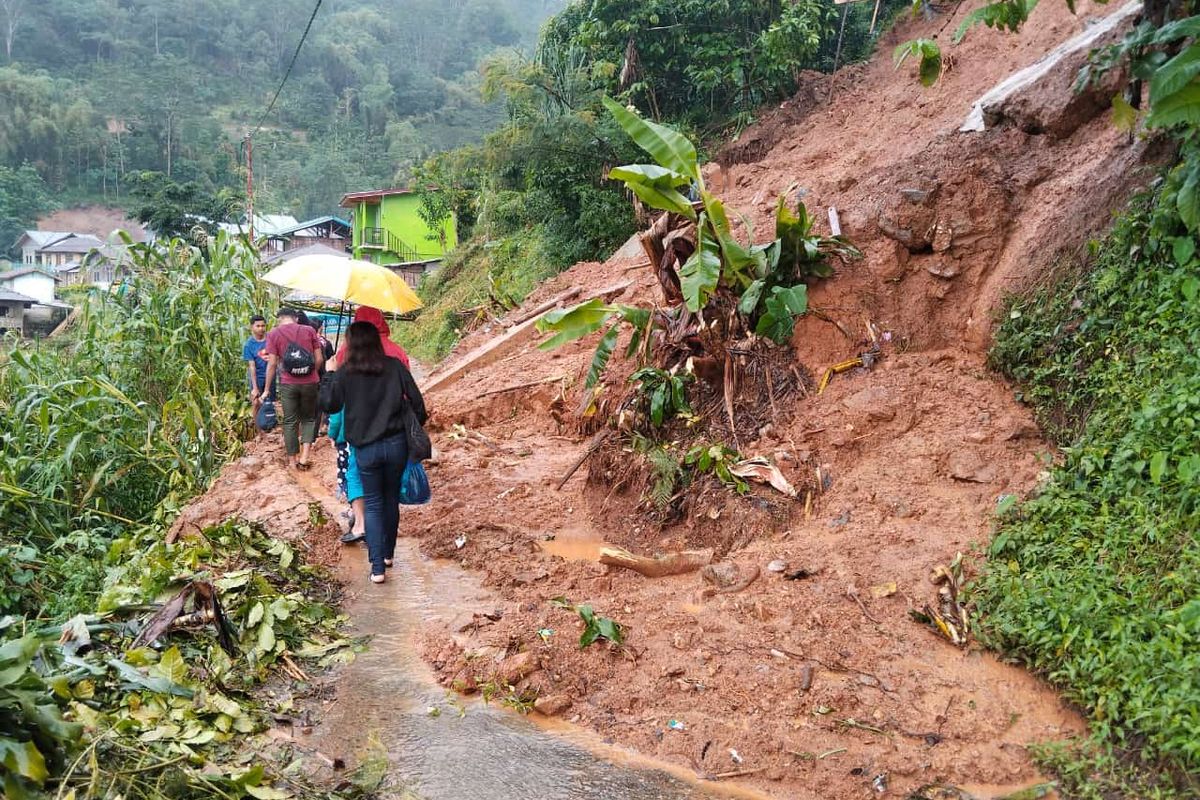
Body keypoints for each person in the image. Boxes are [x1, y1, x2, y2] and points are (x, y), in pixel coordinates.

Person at [321, 321, 426, 583]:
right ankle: (389, 555)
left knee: (374, 503)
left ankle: (377, 568)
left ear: (350, 344)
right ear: (376, 341)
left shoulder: (345, 373)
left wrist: (329, 373)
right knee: (390, 499)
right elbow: (419, 404)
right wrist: (407, 421)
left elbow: (329, 404)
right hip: (396, 444)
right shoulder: (395, 367)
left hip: (365, 448)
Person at [263, 307, 325, 470]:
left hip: (287, 382)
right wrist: (313, 375)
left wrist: (267, 388)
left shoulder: (273, 334)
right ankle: (305, 457)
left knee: (290, 421)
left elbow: (272, 364)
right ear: (295, 318)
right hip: (310, 381)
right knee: (308, 419)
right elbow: (319, 358)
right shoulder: (309, 330)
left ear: (279, 319)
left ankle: (292, 460)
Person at [327, 408, 365, 544]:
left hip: (346, 439)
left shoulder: (341, 387)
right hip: (368, 436)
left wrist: (332, 434)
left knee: (349, 477)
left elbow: (336, 418)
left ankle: (357, 515)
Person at [337, 306, 410, 369]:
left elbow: (337, 376)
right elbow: (405, 379)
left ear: (356, 322)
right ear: (381, 321)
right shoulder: (397, 351)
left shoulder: (347, 350)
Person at [243, 315, 271, 416]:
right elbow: (252, 367)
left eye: (263, 326)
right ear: (252, 327)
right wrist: (255, 387)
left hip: (270, 376)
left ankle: (268, 424)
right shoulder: (249, 345)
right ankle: (258, 430)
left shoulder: (270, 339)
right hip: (257, 377)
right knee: (256, 403)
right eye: (258, 326)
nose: (261, 328)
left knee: (269, 402)